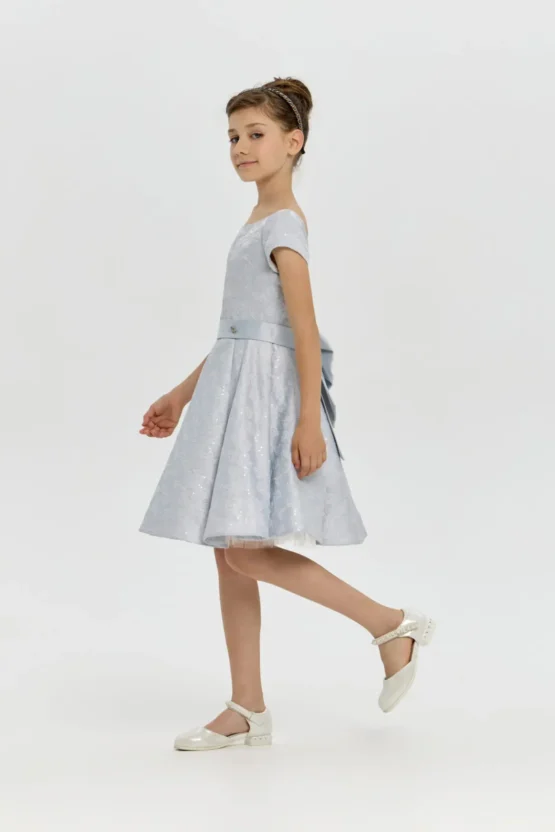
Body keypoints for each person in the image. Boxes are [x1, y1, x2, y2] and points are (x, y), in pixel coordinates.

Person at [138, 77, 436, 751]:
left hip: (263, 401)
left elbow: (302, 329)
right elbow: (242, 330)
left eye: (257, 134)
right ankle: (247, 707)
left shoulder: (283, 225)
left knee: (245, 551)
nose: (241, 147)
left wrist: (307, 420)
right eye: (233, 137)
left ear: (293, 142)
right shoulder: (256, 221)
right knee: (228, 554)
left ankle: (390, 624)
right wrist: (183, 393)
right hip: (232, 389)